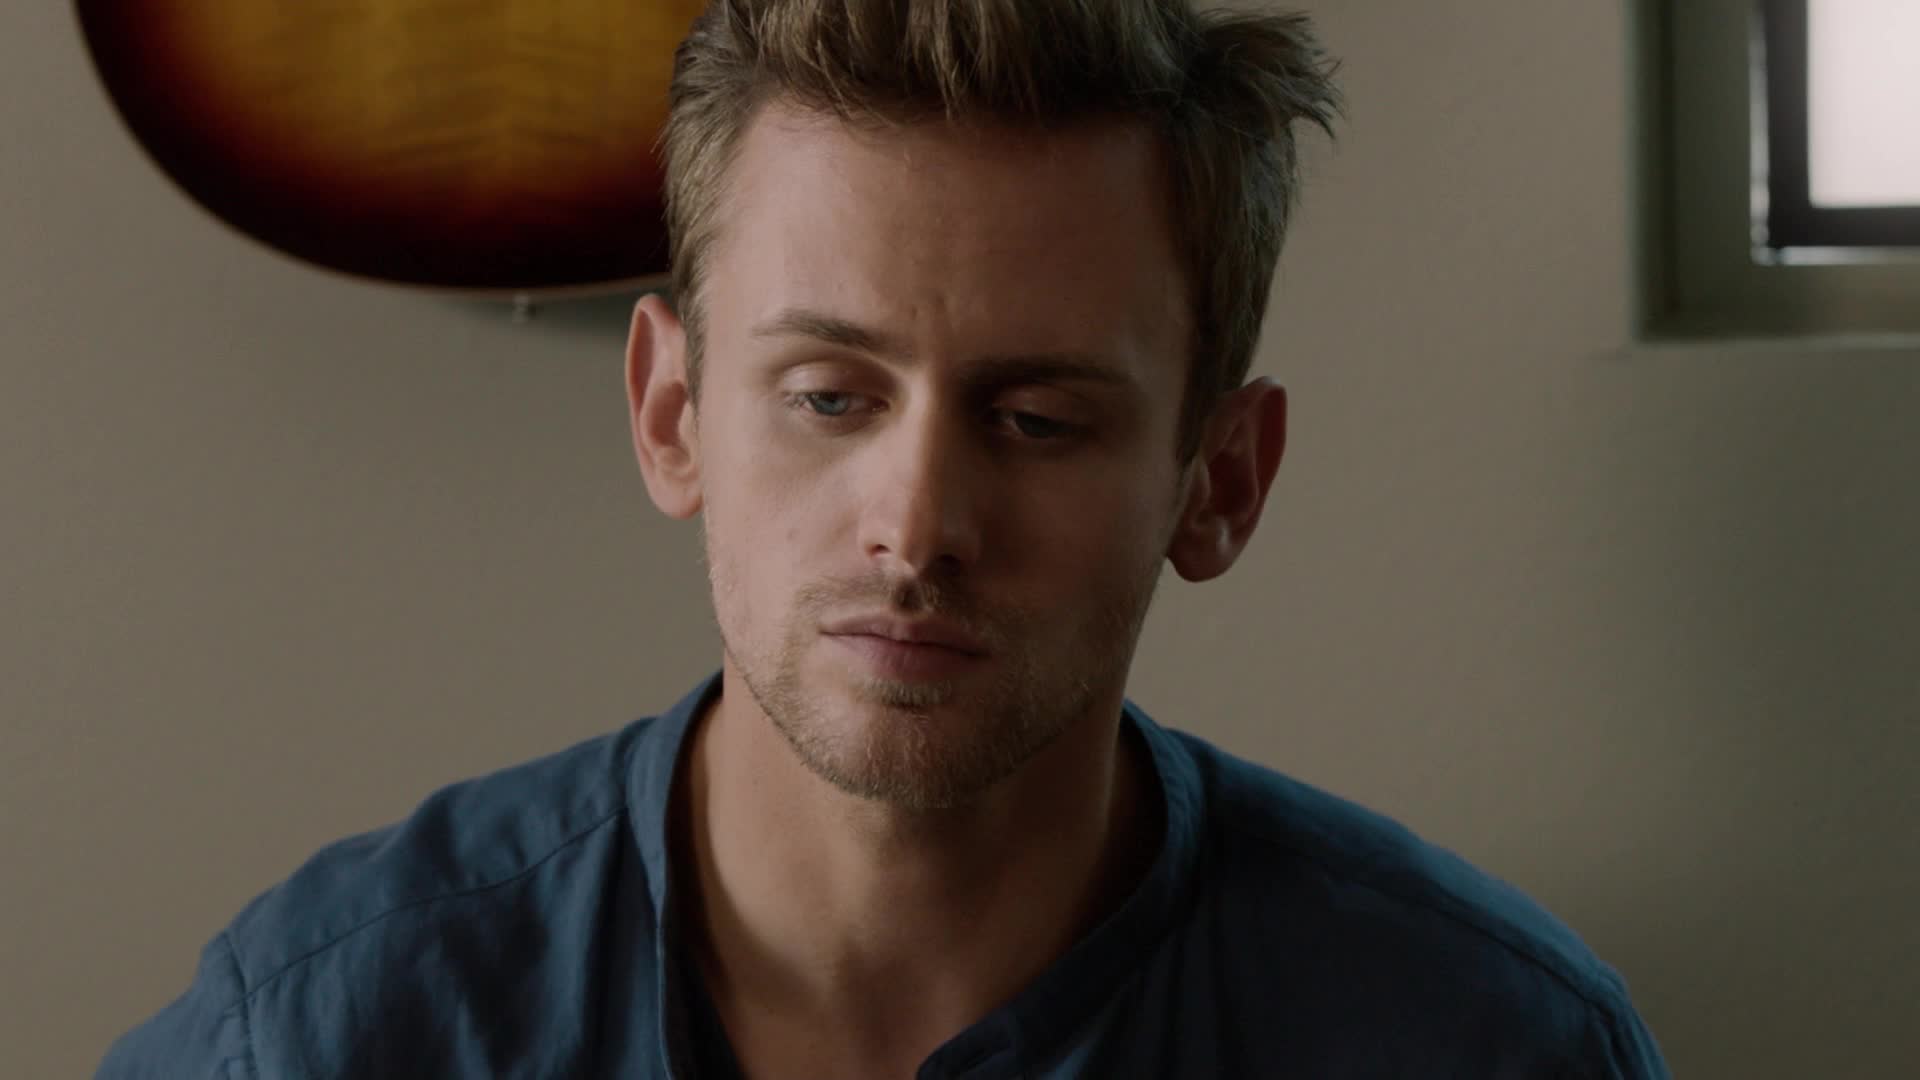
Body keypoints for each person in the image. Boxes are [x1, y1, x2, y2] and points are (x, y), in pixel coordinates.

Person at [98, 1, 1670, 1076]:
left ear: (1221, 482)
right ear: (670, 413)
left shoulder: (1493, 1046)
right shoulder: (320, 1035)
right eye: (830, 398)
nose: (915, 527)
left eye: (1037, 419)